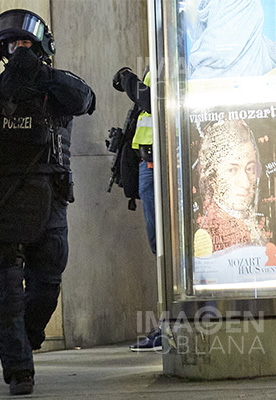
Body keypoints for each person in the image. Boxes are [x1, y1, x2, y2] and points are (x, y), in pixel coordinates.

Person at [0, 9, 95, 395]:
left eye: (26, 43)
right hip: (3, 203)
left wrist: (44, 77)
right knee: (9, 292)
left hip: (50, 202)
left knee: (46, 285)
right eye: (13, 44)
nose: (20, 50)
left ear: (41, 47)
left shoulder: (55, 92)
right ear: (2, 51)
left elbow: (86, 99)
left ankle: (24, 339)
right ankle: (18, 369)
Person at [112, 66, 162, 352]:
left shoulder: (174, 54)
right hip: (148, 163)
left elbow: (154, 101)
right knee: (159, 248)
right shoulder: (155, 62)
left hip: (165, 164)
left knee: (168, 250)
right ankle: (168, 322)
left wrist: (128, 81)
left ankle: (172, 323)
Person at [194, 119, 267, 254]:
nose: (246, 183)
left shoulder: (250, 223)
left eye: (250, 168)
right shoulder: (209, 235)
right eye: (232, 170)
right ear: (212, 177)